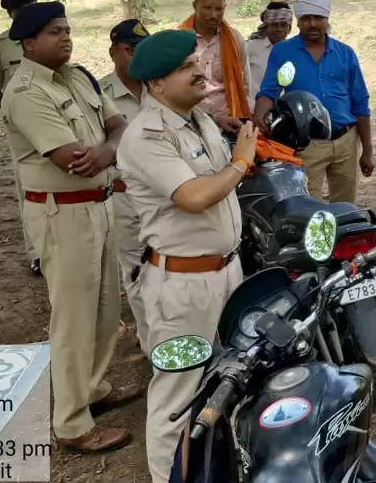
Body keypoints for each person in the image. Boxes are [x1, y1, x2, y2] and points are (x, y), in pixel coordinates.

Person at [0, 1, 142, 453]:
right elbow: (71, 160)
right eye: (54, 32)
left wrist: (105, 150)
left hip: (99, 206)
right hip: (63, 213)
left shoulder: (78, 76)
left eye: (67, 29)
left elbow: (118, 126)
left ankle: (94, 390)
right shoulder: (24, 91)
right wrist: (108, 150)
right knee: (73, 319)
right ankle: (72, 424)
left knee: (104, 310)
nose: (65, 37)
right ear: (29, 43)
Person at [117, 29, 257, 483]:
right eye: (186, 68)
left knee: (229, 381)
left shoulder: (197, 119)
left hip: (224, 274)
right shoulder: (146, 136)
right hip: (182, 287)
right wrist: (240, 162)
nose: (200, 71)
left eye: (197, 62)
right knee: (177, 399)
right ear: (157, 85)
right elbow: (194, 195)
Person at [254, 0, 374, 203]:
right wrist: (259, 116)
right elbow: (269, 91)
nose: (312, 24)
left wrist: (367, 151)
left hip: (346, 141)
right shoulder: (284, 52)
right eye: (306, 18)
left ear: (327, 20)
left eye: (318, 18)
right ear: (298, 22)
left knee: (345, 206)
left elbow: (360, 103)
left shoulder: (345, 53)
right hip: (307, 145)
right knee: (308, 206)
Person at [0, 0, 41, 275]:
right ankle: (37, 253)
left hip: (53, 119)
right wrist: (11, 110)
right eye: (22, 12)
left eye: (32, 8)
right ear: (11, 15)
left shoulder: (48, 35)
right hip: (20, 129)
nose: (28, 15)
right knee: (28, 189)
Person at [100, 18, 151, 353]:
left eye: (144, 50)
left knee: (166, 269)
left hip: (164, 197)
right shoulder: (98, 94)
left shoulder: (161, 87)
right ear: (113, 52)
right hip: (125, 197)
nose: (138, 57)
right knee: (135, 273)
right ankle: (152, 344)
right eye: (131, 50)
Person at [177, 0, 252, 132]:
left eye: (219, 9)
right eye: (207, 8)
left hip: (231, 119)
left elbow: (245, 84)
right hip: (191, 120)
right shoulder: (178, 40)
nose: (214, 15)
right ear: (194, 6)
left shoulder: (235, 39)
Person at [246, 0, 293, 96]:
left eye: (283, 25)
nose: (279, 29)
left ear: (289, 28)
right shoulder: (250, 47)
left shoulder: (295, 51)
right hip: (253, 108)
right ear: (266, 26)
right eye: (275, 25)